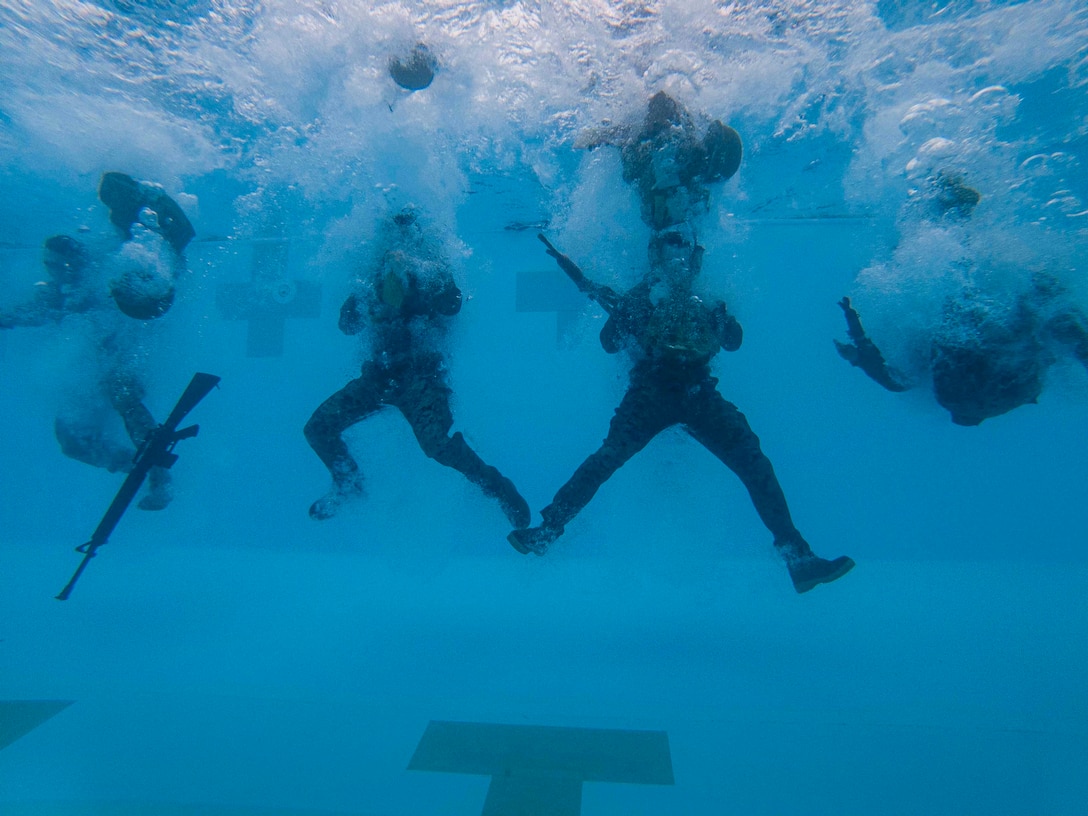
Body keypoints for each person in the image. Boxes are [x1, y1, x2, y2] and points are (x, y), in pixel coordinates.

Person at [508, 232, 855, 594]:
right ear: (654, 257)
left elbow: (733, 342)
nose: (678, 262)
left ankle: (798, 558)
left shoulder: (707, 297)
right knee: (606, 460)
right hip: (651, 393)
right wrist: (633, 300)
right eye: (668, 252)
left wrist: (719, 313)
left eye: (685, 254)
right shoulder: (643, 295)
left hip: (697, 392)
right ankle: (548, 531)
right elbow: (610, 343)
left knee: (754, 464)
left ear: (696, 260)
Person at [303, 206, 531, 528]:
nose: (393, 240)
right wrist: (369, 297)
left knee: (436, 443)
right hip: (379, 376)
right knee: (318, 428)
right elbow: (347, 325)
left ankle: (497, 488)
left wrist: (416, 269)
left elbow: (452, 305)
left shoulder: (431, 267)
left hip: (421, 376)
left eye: (401, 231)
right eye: (387, 232)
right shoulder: (373, 274)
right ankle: (348, 481)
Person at [0, 172, 195, 509]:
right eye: (51, 266)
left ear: (75, 261)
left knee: (122, 396)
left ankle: (159, 474)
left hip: (124, 360)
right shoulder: (63, 292)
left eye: (61, 264)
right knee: (72, 441)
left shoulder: (99, 276)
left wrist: (155, 202)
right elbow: (28, 313)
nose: (55, 271)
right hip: (89, 372)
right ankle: (134, 464)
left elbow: (175, 243)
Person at [835, 277, 1088, 426]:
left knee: (1029, 332)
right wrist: (853, 326)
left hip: (1007, 384)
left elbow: (886, 375)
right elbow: (884, 374)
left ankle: (1052, 309)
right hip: (981, 378)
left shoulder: (940, 387)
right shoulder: (934, 384)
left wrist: (855, 330)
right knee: (964, 311)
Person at [578, 90, 743, 232]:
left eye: (710, 137)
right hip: (641, 166)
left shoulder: (684, 161)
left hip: (642, 166)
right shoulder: (693, 184)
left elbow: (659, 102)